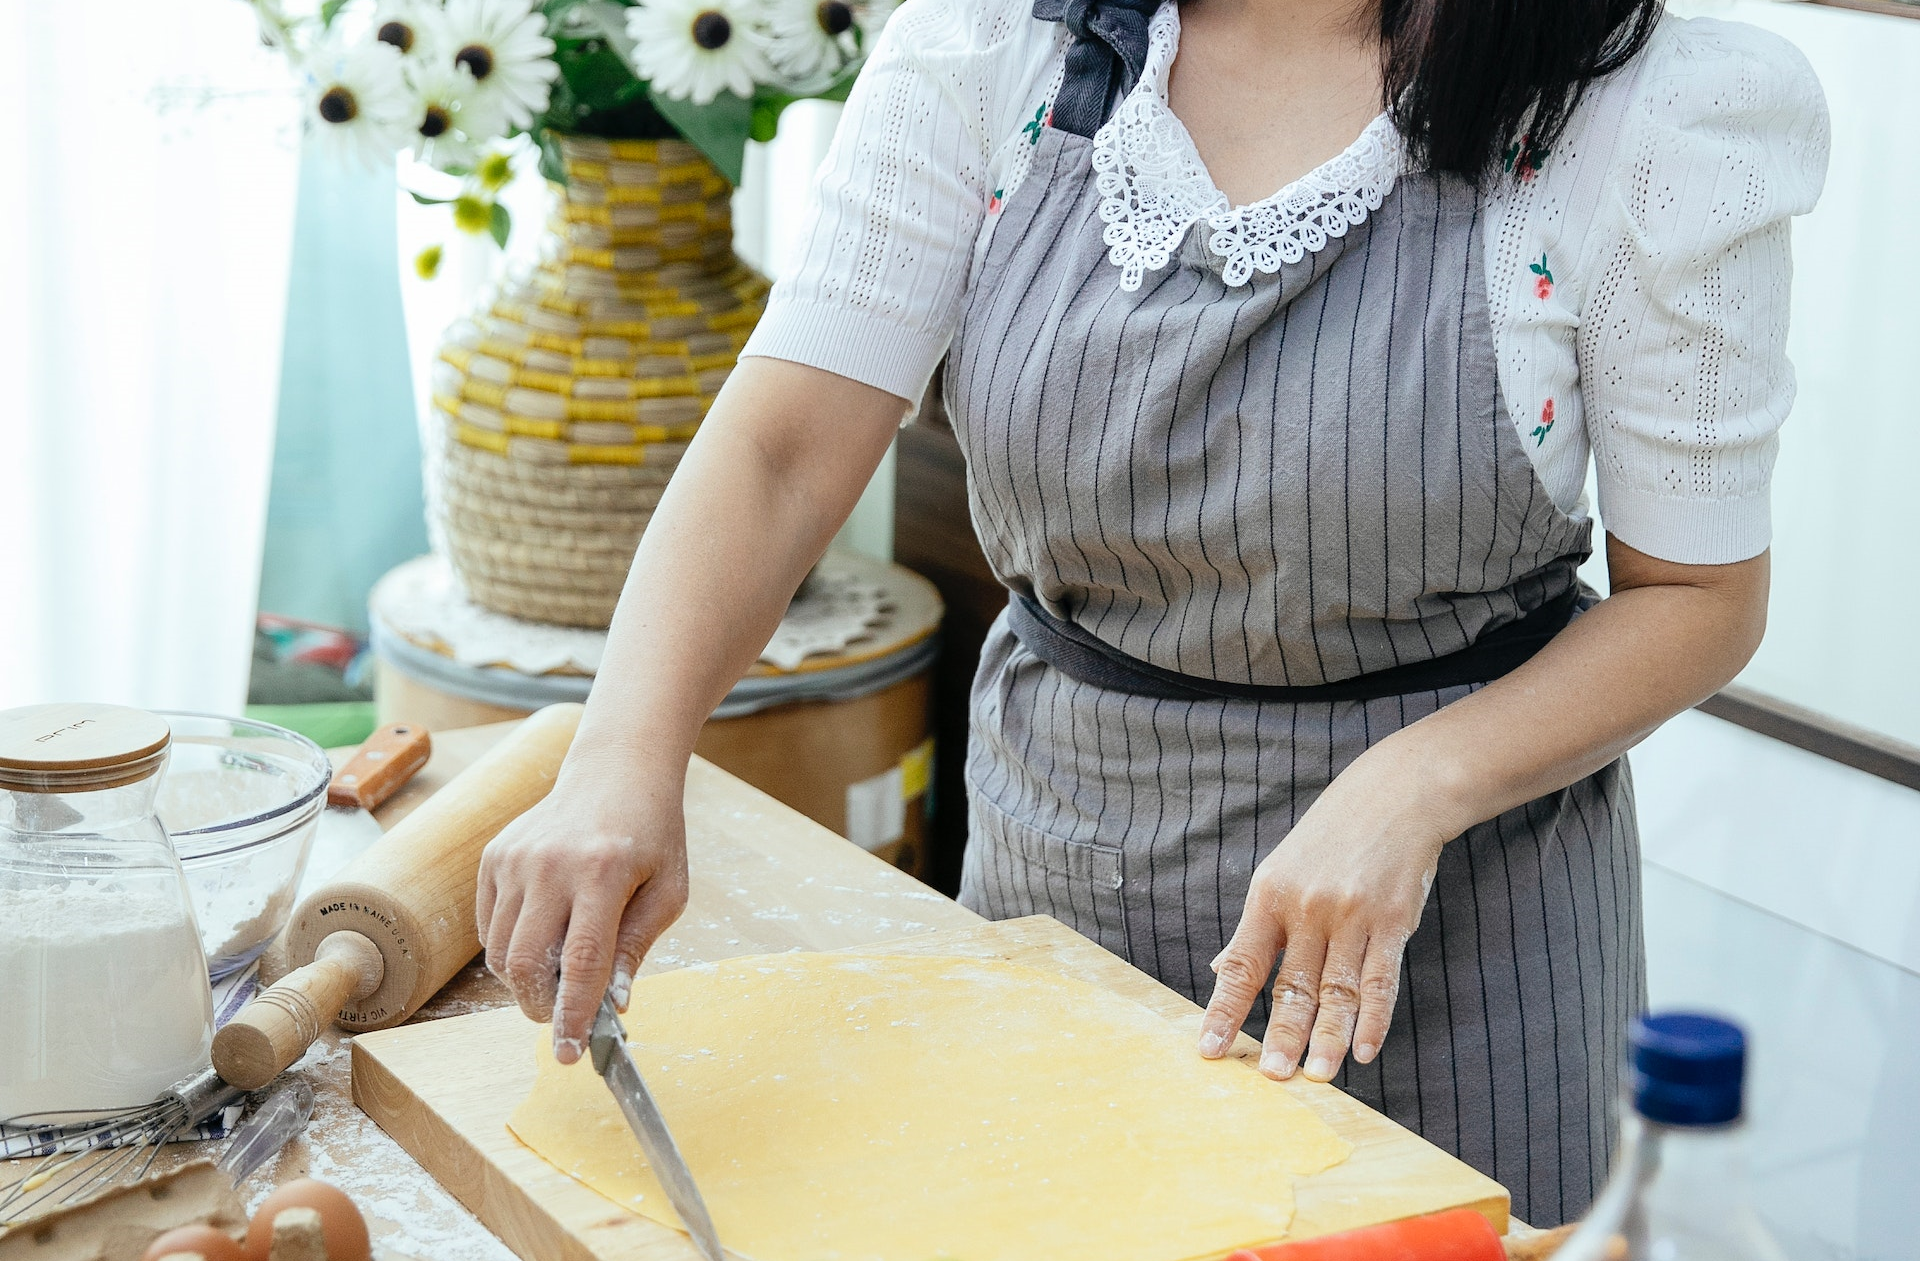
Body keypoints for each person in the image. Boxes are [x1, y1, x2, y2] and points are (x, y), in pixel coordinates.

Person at [475, 0, 1828, 1223]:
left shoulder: (1646, 107)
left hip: (1449, 934)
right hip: (1059, 886)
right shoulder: (991, 49)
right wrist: (622, 755)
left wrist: (1407, 787)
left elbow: (1698, 600)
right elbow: (782, 451)